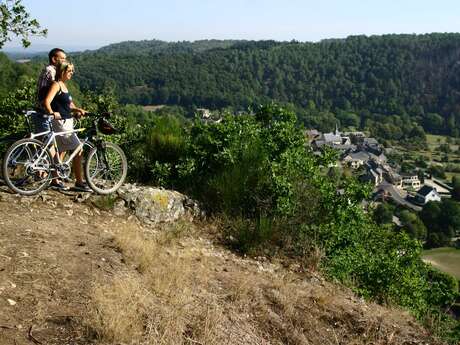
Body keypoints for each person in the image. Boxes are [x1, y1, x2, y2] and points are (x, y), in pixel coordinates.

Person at [42, 61, 91, 192]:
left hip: (67, 121)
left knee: (59, 152)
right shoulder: (56, 85)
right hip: (61, 122)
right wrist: (52, 114)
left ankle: (55, 180)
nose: (71, 73)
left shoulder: (64, 86)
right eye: (69, 71)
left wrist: (78, 110)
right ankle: (79, 182)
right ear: (62, 72)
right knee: (78, 149)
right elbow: (46, 101)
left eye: (72, 71)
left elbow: (69, 105)